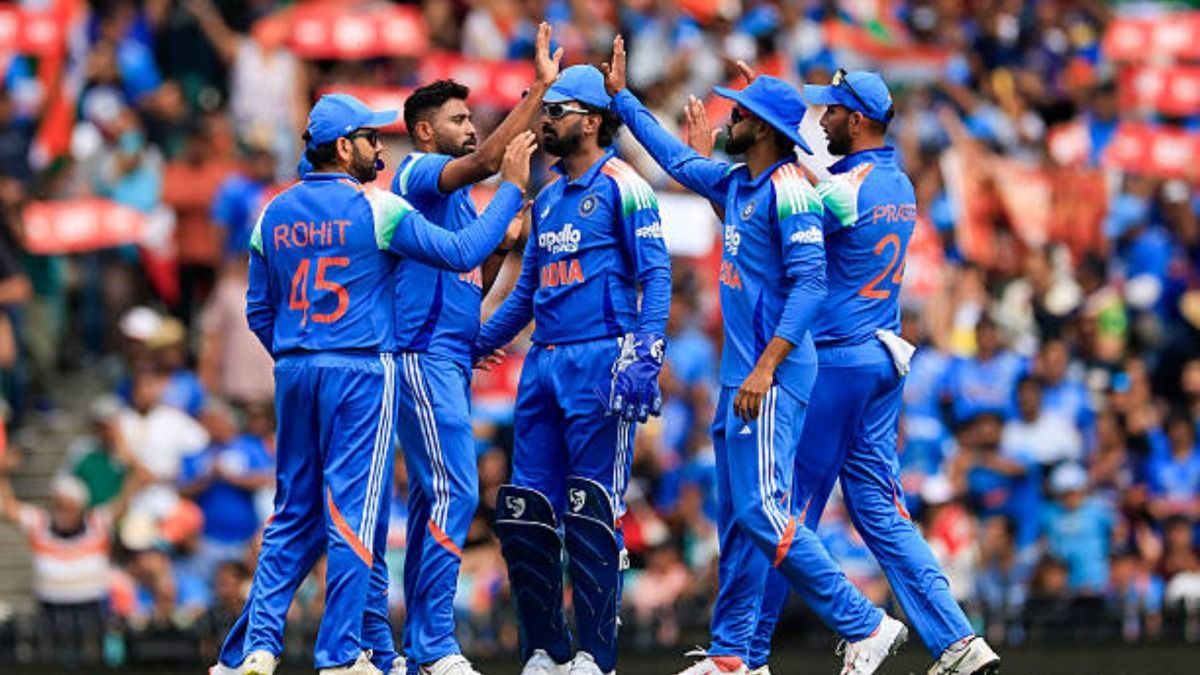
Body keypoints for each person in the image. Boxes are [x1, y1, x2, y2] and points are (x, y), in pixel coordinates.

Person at [210, 93, 536, 675]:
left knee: (293, 512)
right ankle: (341, 656)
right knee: (357, 515)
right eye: (369, 137)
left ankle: (254, 649)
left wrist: (298, 351)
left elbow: (260, 310)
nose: (380, 146)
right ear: (343, 146)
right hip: (361, 369)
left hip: (293, 368)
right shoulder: (377, 206)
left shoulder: (271, 212)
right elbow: (461, 251)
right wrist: (510, 187)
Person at [604, 40, 899, 675]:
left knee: (764, 510)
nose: (726, 120)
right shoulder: (742, 181)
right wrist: (621, 99)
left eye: (737, 114)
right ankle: (734, 657)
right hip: (743, 377)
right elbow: (678, 160)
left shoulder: (791, 189)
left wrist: (766, 367)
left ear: (761, 128)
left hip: (775, 375)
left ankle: (865, 622)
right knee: (738, 522)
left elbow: (812, 284)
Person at [746, 69, 1001, 675]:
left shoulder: (846, 185)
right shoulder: (899, 182)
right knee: (881, 511)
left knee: (784, 512)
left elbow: (777, 211)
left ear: (857, 119)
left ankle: (744, 656)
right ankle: (960, 642)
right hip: (882, 361)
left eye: (831, 111)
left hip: (834, 361)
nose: (822, 121)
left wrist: (763, 131)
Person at [473, 64, 671, 675]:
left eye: (557, 111)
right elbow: (527, 293)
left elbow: (657, 274)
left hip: (601, 359)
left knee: (590, 508)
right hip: (544, 363)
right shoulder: (550, 196)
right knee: (522, 509)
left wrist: (644, 353)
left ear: (590, 119)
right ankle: (545, 650)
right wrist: (472, 343)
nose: (547, 120)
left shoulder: (624, 184)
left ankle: (596, 656)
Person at [390, 22, 562, 675]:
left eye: (471, 117)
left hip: (446, 357)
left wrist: (499, 254)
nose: (470, 126)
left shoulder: (460, 206)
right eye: (459, 118)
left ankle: (415, 650)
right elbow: (490, 160)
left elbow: (472, 280)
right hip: (422, 357)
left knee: (435, 496)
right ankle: (433, 646)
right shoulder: (420, 174)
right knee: (458, 491)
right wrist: (539, 91)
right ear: (426, 132)